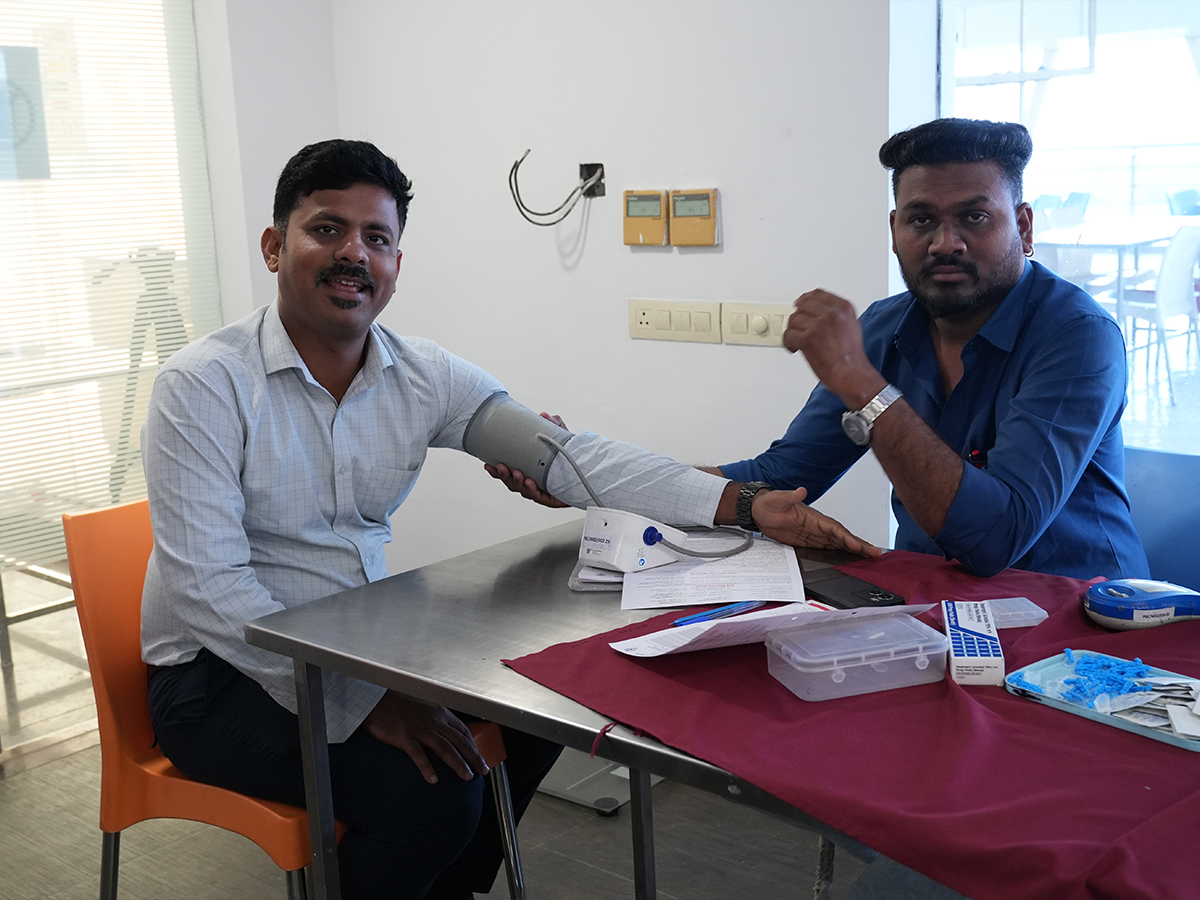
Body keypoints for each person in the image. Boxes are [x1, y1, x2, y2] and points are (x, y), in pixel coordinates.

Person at [140, 139, 877, 900]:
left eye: (376, 238)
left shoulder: (423, 375)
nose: (353, 253)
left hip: (350, 639)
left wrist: (748, 505)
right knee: (430, 794)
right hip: (217, 675)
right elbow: (210, 592)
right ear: (274, 246)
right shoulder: (204, 386)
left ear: (396, 263)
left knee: (537, 702)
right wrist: (367, 702)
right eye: (327, 229)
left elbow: (572, 460)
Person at [713, 118, 1147, 580]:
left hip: (1080, 607)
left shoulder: (1079, 336)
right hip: (930, 601)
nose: (945, 244)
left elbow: (997, 537)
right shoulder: (884, 327)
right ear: (894, 230)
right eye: (922, 220)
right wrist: (659, 485)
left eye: (974, 217)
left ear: (1023, 227)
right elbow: (781, 476)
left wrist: (861, 383)